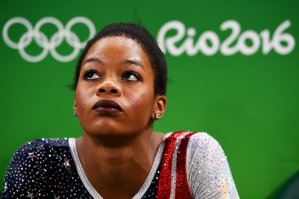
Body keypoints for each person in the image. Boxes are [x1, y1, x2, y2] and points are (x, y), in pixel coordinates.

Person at [2, 23, 239, 199]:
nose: (107, 85)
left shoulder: (192, 156)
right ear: (76, 101)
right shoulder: (39, 161)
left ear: (159, 106)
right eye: (91, 74)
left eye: (130, 75)